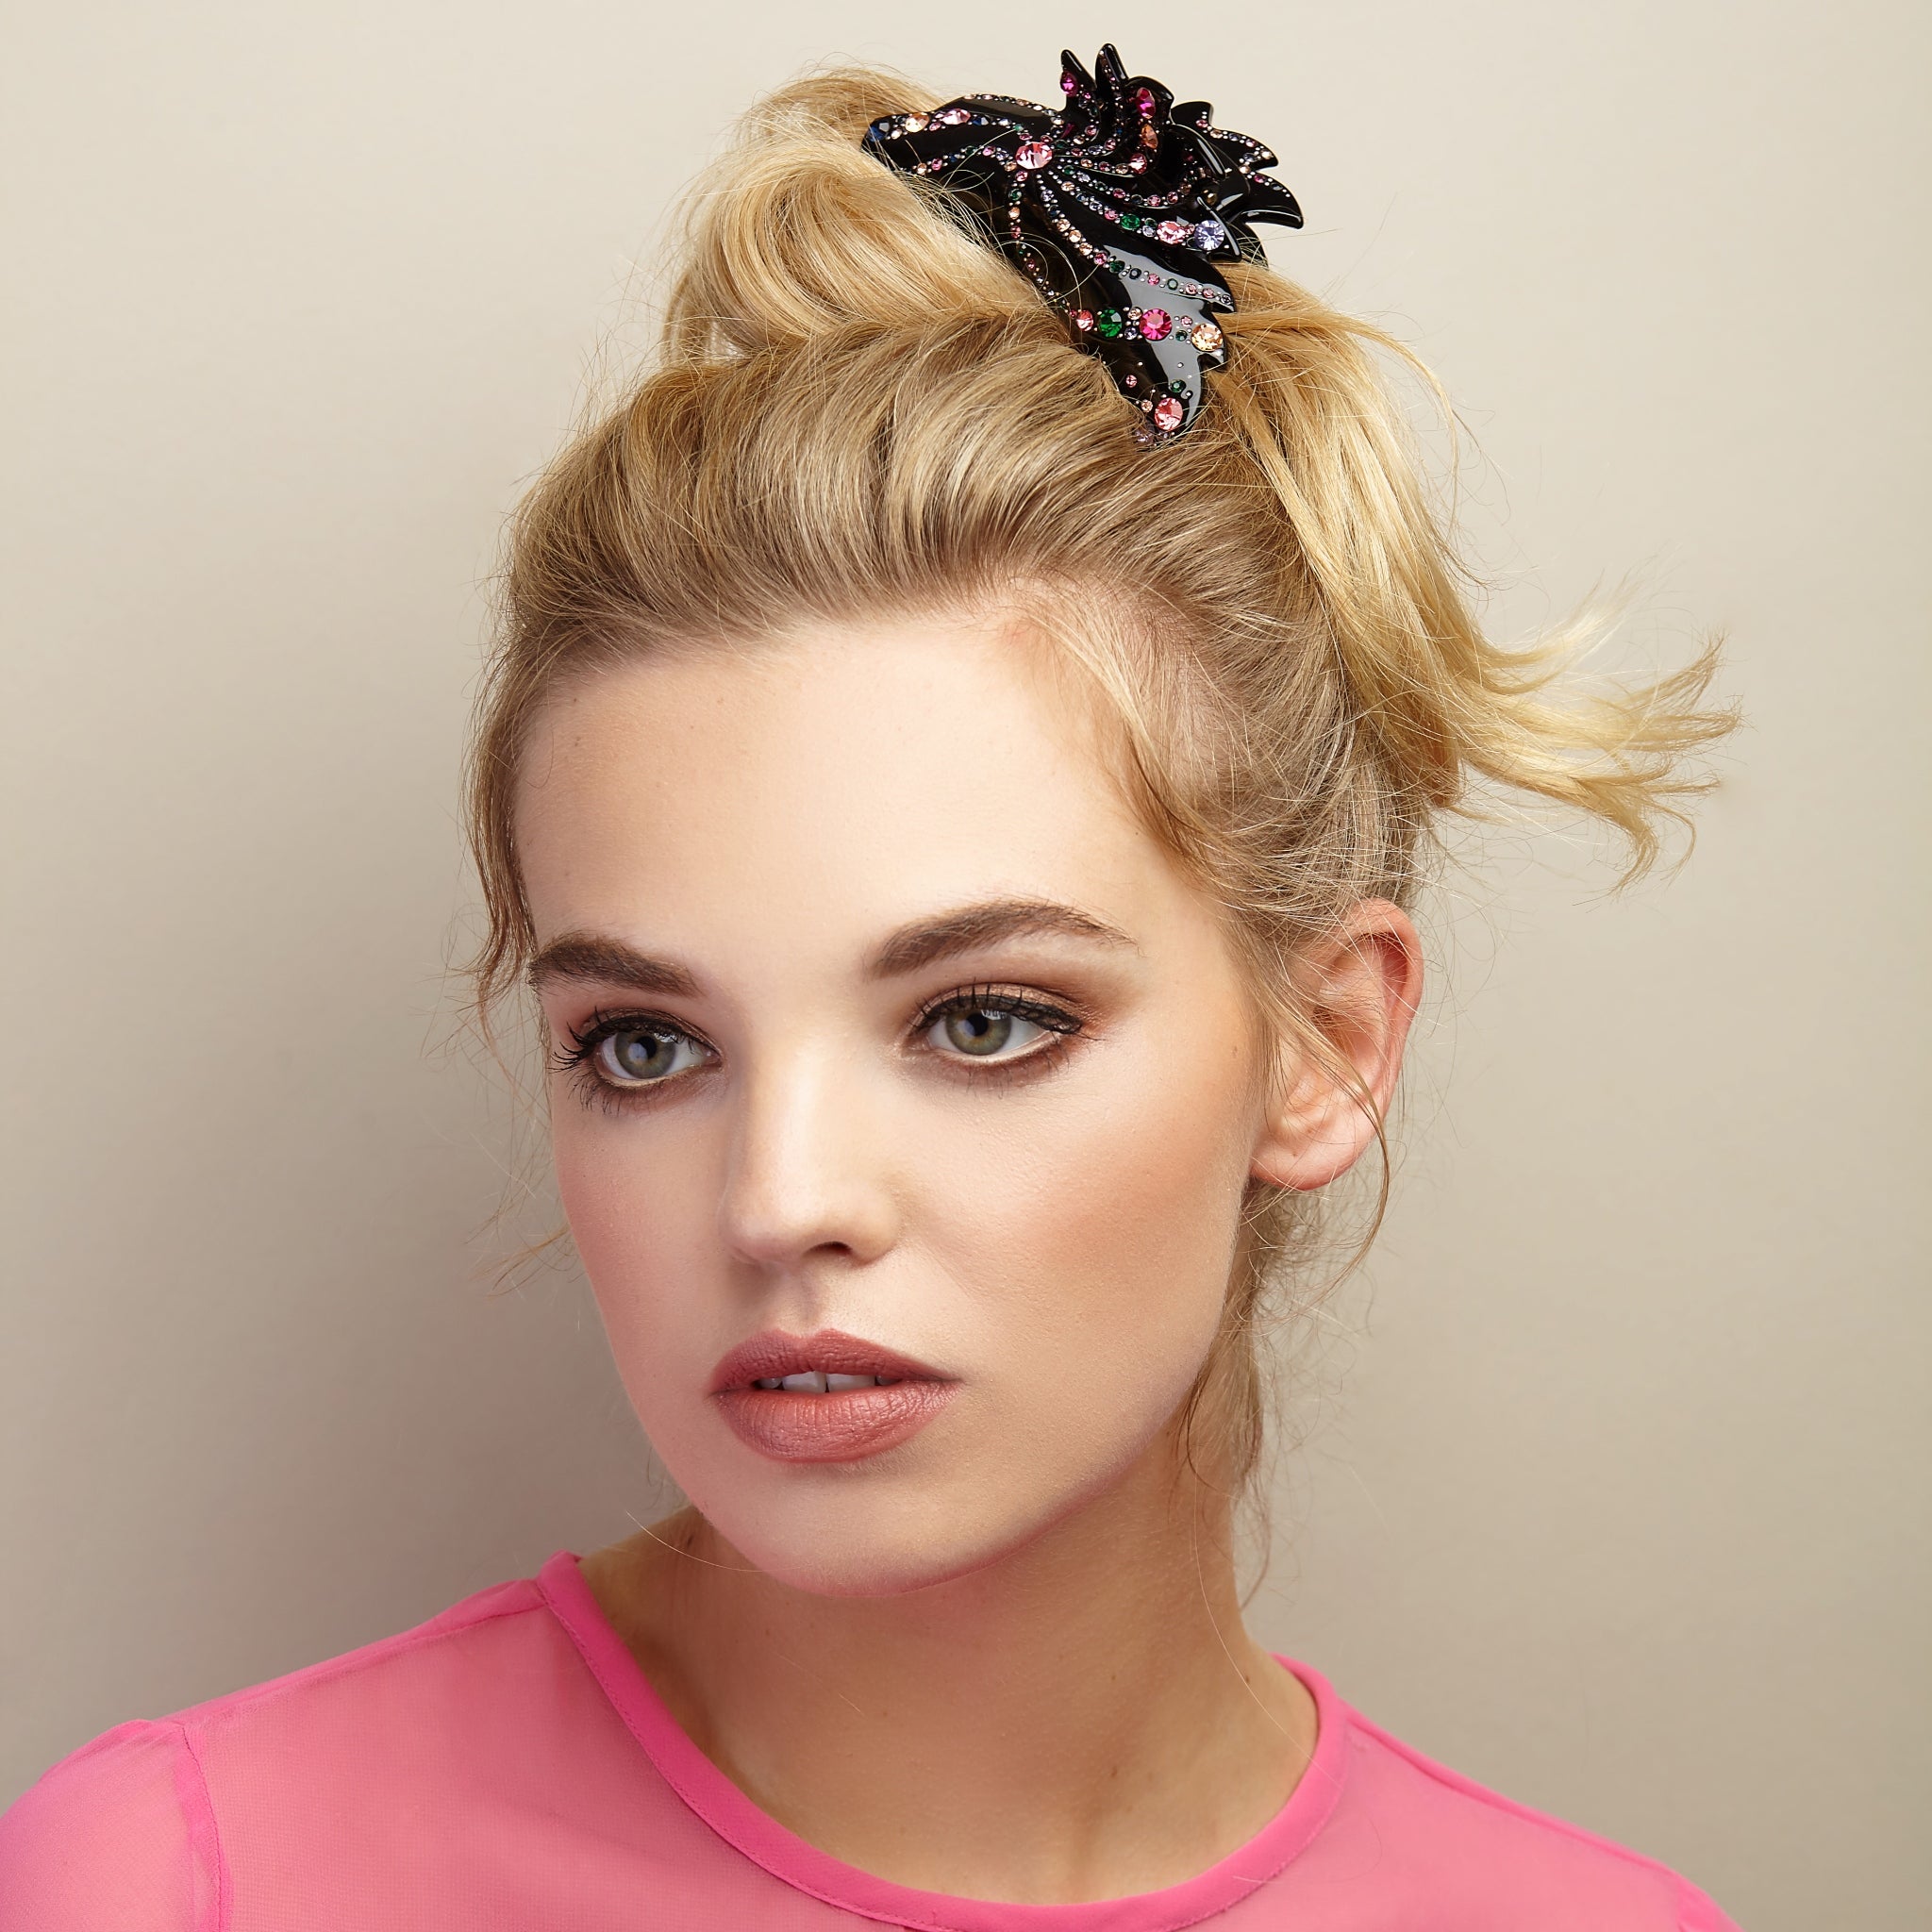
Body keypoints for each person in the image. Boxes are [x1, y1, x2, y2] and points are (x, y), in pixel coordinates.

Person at [0, 46, 1741, 1930]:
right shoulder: (179, 1882)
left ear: (1323, 1044)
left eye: (983, 1019)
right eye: (645, 1045)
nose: (780, 1201)